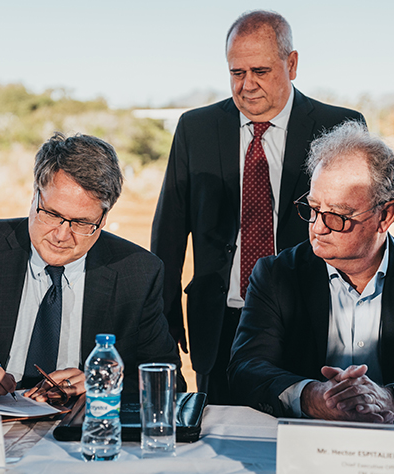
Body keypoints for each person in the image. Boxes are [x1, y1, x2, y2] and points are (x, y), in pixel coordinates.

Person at [151, 10, 364, 404]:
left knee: (300, 445)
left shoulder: (341, 127)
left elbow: (360, 235)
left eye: (261, 71)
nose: (247, 86)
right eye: (236, 73)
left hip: (309, 320)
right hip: (218, 323)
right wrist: (162, 316)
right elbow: (169, 230)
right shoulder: (194, 129)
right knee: (217, 447)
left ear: (292, 64)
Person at [0, 133, 185, 402]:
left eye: (83, 223)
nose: (62, 235)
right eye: (51, 214)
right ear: (35, 196)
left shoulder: (137, 272)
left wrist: (103, 382)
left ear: (104, 217)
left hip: (81, 435)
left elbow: (169, 379)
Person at [228, 121, 394, 423]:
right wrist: (312, 397)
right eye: (313, 208)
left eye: (337, 216)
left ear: (386, 215)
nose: (317, 228)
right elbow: (246, 369)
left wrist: (393, 398)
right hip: (303, 441)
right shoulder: (276, 274)